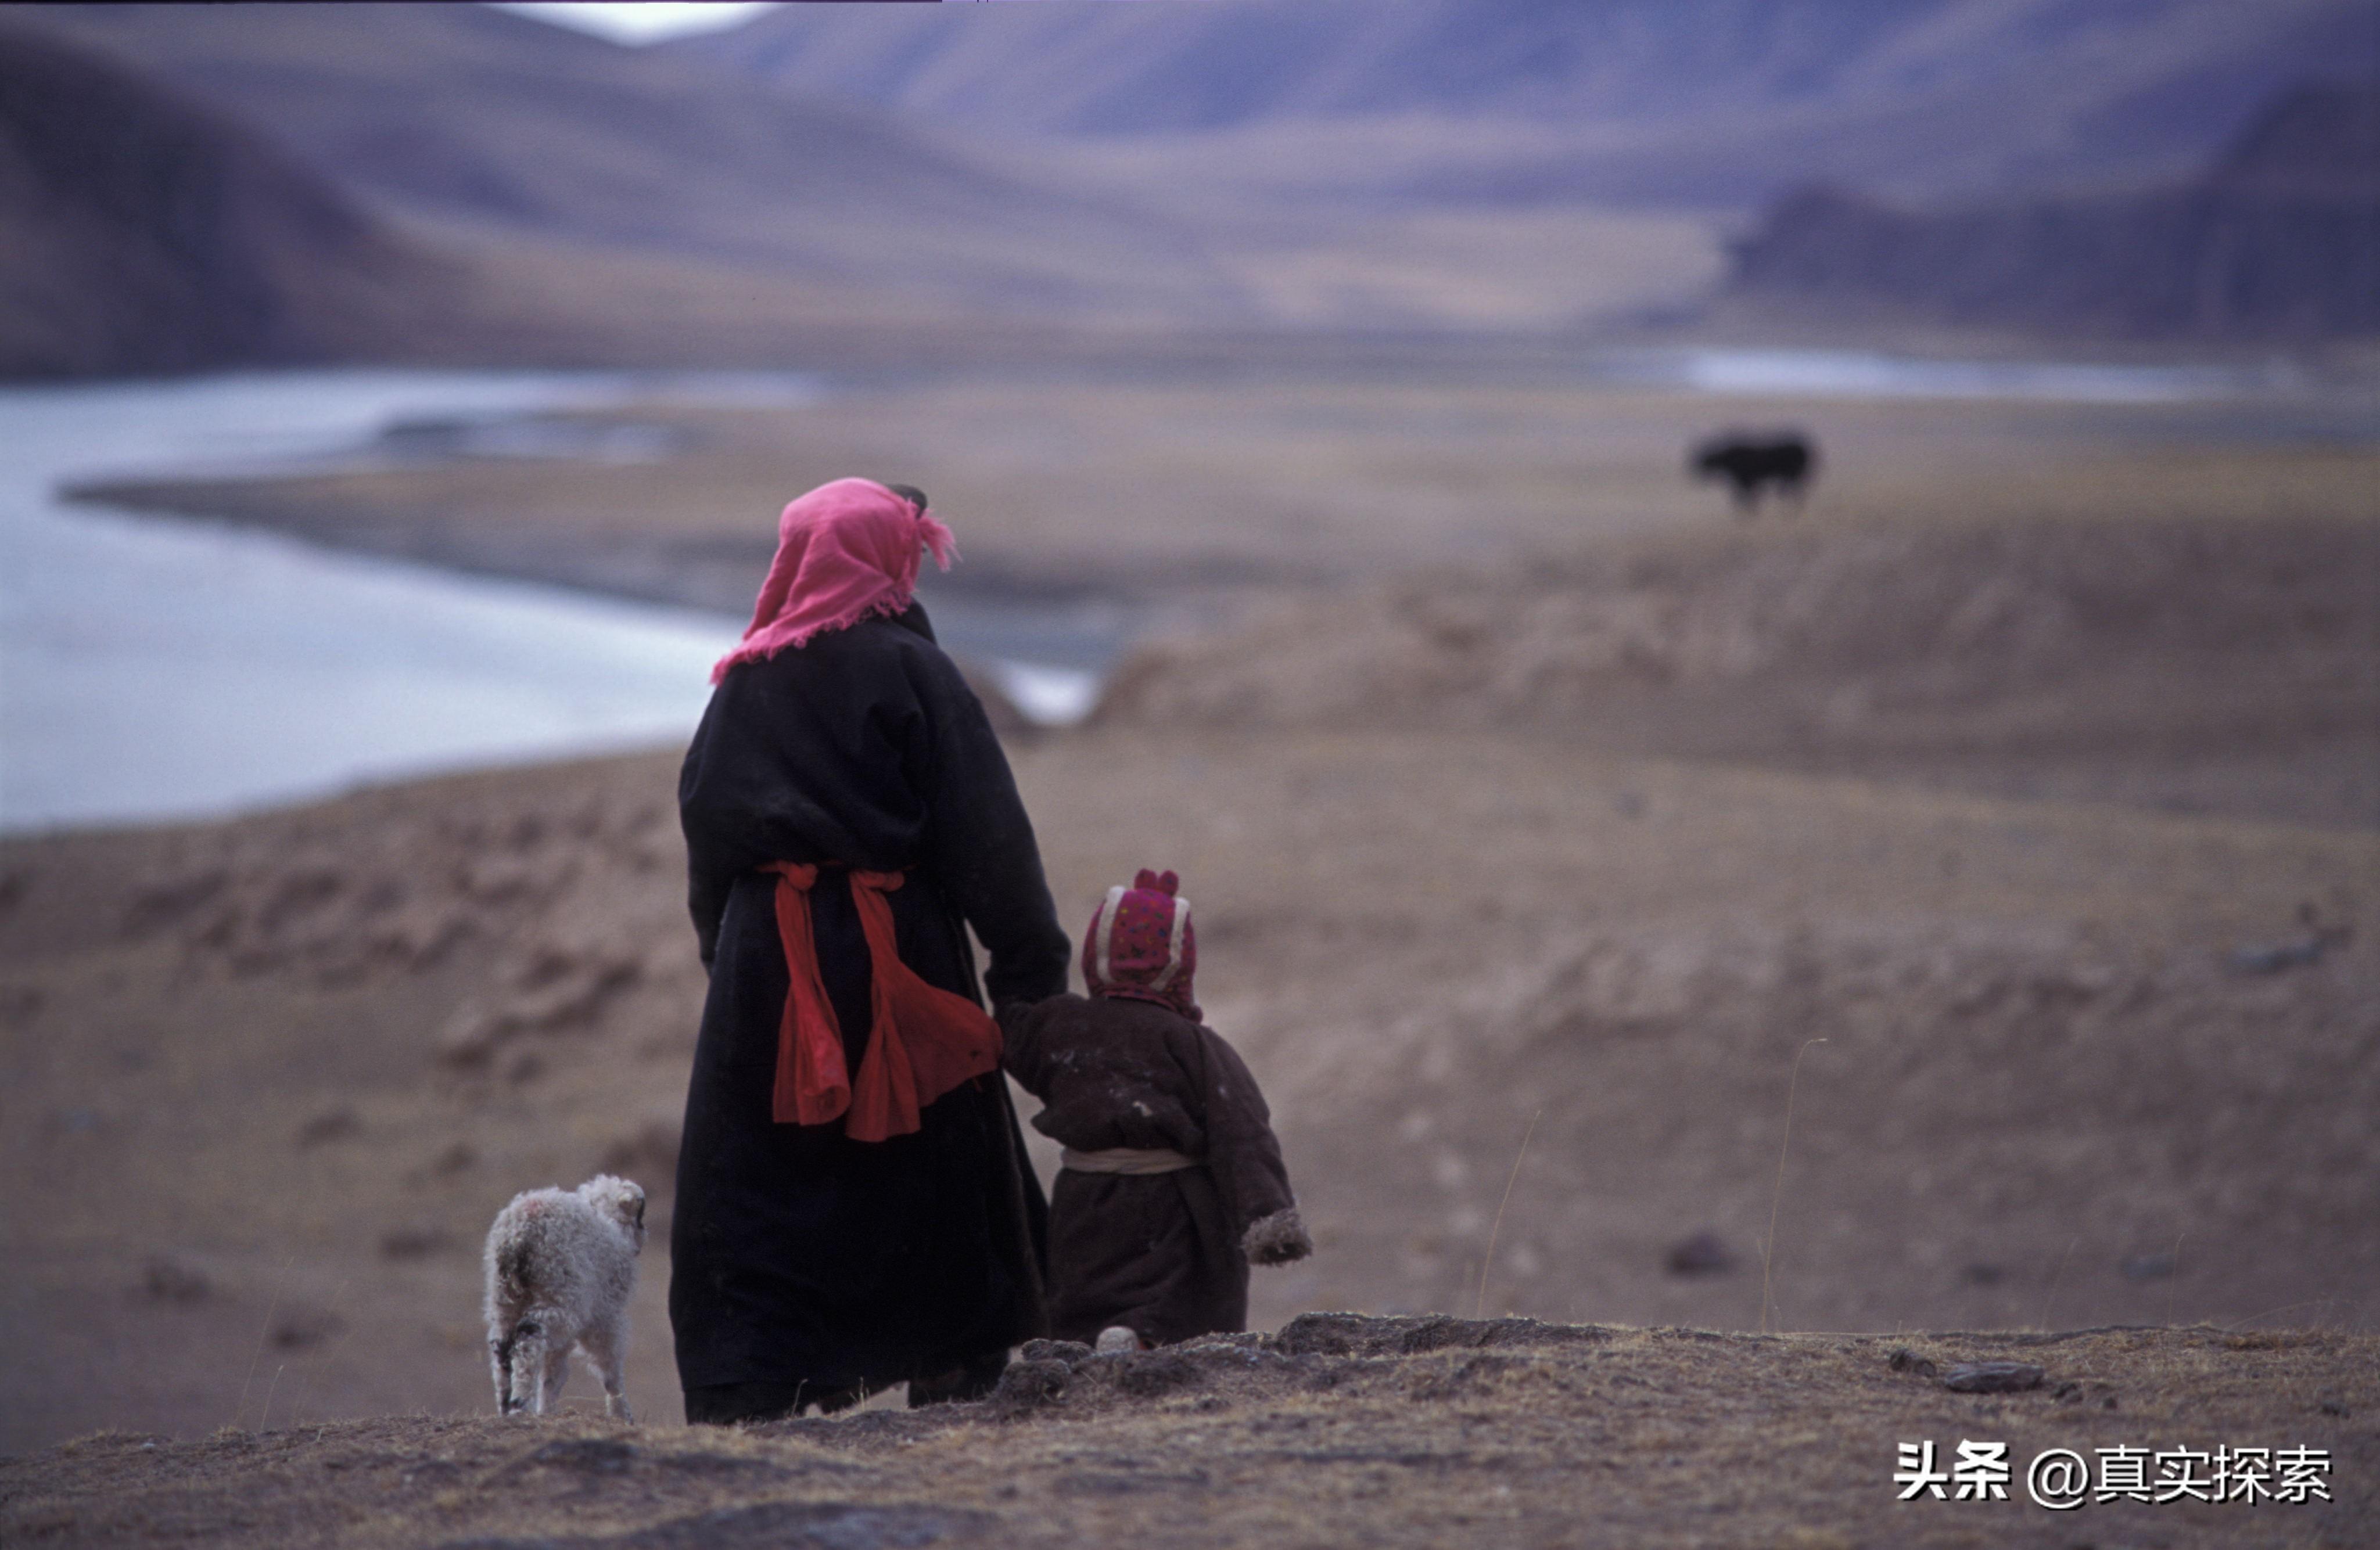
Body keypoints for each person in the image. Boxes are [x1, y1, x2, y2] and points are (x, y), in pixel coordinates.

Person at [672, 477, 1071, 1423]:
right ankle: (951, 1370)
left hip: (768, 971)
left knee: (762, 1177)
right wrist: (1027, 974)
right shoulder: (915, 671)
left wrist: (726, 961)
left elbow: (708, 834)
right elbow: (989, 840)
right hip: (905, 952)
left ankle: (748, 1388)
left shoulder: (744, 682)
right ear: (888, 554)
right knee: (931, 1164)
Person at [1002, 868, 1311, 1350]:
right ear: (1179, 963)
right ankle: (1141, 1340)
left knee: (1086, 1298)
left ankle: (1092, 1348)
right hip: (1177, 1208)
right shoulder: (1192, 1044)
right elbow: (1242, 1129)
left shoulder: (1060, 1027)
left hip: (1084, 1204)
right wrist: (1268, 1217)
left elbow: (1012, 1038)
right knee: (1181, 1307)